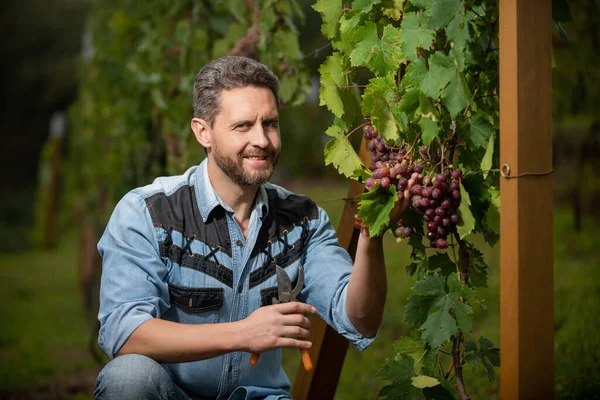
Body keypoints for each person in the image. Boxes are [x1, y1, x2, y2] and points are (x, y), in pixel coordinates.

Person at [94, 56, 418, 400]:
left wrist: (371, 236)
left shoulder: (301, 220)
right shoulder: (148, 212)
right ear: (203, 132)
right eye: (243, 126)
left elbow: (359, 319)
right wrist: (243, 333)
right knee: (127, 377)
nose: (262, 139)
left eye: (271, 124)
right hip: (172, 395)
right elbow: (124, 332)